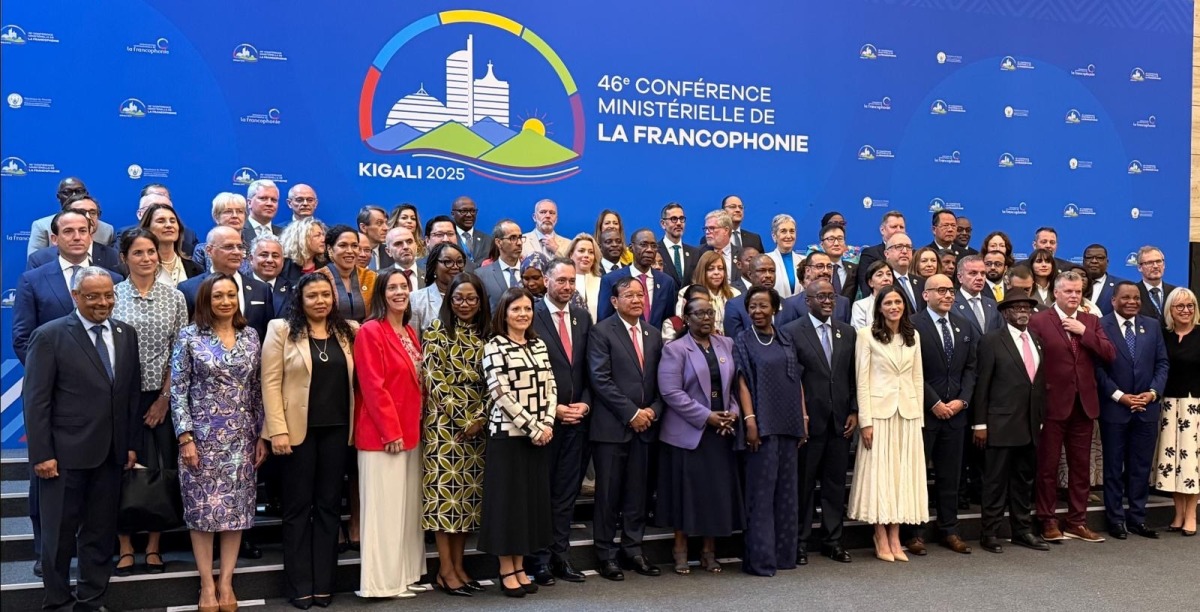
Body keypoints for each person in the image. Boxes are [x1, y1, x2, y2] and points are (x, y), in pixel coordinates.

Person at [22, 267, 140, 611]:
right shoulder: (49, 335)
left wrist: (130, 444)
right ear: (75, 297)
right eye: (93, 296)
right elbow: (36, 401)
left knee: (100, 535)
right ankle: (58, 602)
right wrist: (41, 454)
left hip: (111, 454)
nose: (103, 302)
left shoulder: (126, 333)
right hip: (63, 456)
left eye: (108, 295)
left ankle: (92, 600)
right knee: (58, 536)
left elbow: (130, 395)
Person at [171, 274, 267, 611]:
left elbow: (256, 388)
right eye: (218, 296)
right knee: (202, 512)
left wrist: (262, 435)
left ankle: (226, 581)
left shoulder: (250, 335)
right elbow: (178, 390)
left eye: (230, 295)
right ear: (206, 301)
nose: (225, 301)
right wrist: (185, 437)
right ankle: (206, 584)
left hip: (242, 438)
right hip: (201, 439)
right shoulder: (189, 336)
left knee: (236, 513)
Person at [261, 273, 358, 608]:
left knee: (329, 508)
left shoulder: (348, 331)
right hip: (295, 434)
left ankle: (324, 584)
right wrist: (277, 430)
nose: (320, 301)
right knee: (298, 509)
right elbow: (270, 382)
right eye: (312, 295)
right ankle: (300, 585)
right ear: (300, 301)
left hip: (337, 431)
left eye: (325, 295)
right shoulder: (281, 329)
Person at [112, 230, 189, 576]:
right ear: (124, 258)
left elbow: (180, 353)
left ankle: (154, 546)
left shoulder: (175, 298)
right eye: (138, 253)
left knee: (161, 469)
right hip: (118, 398)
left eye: (151, 252)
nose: (146, 258)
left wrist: (164, 399)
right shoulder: (113, 295)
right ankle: (125, 546)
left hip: (161, 397)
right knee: (122, 468)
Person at [479, 288, 558, 597]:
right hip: (508, 437)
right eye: (516, 309)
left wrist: (547, 423)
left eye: (527, 309)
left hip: (538, 437)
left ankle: (520, 566)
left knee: (527, 506)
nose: (523, 314)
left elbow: (551, 386)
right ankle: (506, 569)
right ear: (504, 313)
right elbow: (500, 393)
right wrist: (532, 427)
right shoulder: (494, 346)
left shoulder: (538, 344)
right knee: (507, 505)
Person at [1026, 270, 1116, 543]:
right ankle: (1047, 519)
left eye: (1078, 292)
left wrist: (1084, 332)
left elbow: (1109, 353)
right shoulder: (1039, 321)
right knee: (1048, 466)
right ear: (1056, 293)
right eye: (1068, 291)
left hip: (1084, 405)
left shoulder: (1090, 321)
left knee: (1081, 466)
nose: (1074, 296)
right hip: (1051, 405)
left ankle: (1077, 521)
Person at [352, 269, 426, 599]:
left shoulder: (408, 330)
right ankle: (381, 583)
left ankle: (404, 575)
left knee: (406, 511)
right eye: (392, 287)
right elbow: (372, 386)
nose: (399, 292)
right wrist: (390, 432)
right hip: (383, 436)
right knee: (384, 512)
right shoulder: (371, 331)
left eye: (403, 287)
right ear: (380, 294)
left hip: (410, 431)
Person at [657, 296, 744, 574]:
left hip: (721, 431)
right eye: (699, 313)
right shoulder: (675, 349)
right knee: (686, 495)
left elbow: (734, 386)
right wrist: (707, 416)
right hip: (688, 432)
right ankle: (680, 550)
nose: (706, 318)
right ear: (686, 318)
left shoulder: (726, 344)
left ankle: (708, 551)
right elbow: (671, 392)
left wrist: (732, 413)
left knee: (714, 494)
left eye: (710, 312)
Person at [588, 276, 664, 581]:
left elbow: (661, 380)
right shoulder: (601, 331)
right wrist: (631, 413)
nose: (635, 300)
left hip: (646, 427)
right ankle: (605, 554)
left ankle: (633, 549)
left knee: (638, 494)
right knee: (608, 495)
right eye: (628, 295)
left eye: (639, 294)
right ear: (614, 301)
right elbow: (600, 379)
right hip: (612, 428)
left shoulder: (653, 334)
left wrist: (653, 410)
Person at [847, 285, 928, 562]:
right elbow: (862, 380)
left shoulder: (913, 335)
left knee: (901, 476)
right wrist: (865, 421)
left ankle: (895, 536)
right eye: (888, 303)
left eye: (898, 302)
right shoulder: (865, 335)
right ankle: (880, 534)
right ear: (879, 308)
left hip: (907, 414)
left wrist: (919, 417)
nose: (894, 307)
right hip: (879, 415)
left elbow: (917, 378)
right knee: (880, 475)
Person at [421, 272, 490, 594]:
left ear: (481, 301)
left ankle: (459, 567)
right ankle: (445, 570)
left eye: (471, 298)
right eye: (458, 298)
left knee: (466, 502)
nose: (465, 304)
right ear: (449, 300)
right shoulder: (437, 330)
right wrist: (464, 420)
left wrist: (481, 418)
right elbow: (434, 380)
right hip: (445, 427)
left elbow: (495, 381)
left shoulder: (487, 334)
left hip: (479, 428)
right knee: (444, 500)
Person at [526, 259, 593, 585]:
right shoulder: (530, 315)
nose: (567, 286)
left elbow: (591, 368)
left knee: (567, 494)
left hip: (577, 421)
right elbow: (526, 374)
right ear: (546, 281)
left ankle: (560, 557)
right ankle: (538, 560)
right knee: (541, 493)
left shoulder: (583, 317)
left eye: (571, 281)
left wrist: (585, 404)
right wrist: (554, 409)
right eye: (561, 280)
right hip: (544, 423)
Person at [781, 281, 857, 566]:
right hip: (808, 423)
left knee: (835, 485)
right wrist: (798, 416)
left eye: (831, 296)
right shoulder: (791, 332)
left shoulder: (847, 332)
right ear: (807, 300)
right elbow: (791, 379)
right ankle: (799, 543)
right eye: (821, 296)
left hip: (840, 422)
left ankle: (832, 541)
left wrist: (854, 410)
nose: (827, 301)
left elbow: (852, 376)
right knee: (803, 486)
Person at [902, 274, 977, 556]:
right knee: (917, 475)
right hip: (924, 413)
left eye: (951, 291)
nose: (948, 295)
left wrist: (962, 401)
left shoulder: (963, 325)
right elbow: (909, 369)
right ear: (926, 295)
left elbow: (971, 368)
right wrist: (933, 402)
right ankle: (914, 532)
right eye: (941, 290)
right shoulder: (912, 325)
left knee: (951, 476)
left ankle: (950, 530)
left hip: (956, 414)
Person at [736, 287, 806, 575]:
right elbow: (741, 381)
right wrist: (750, 420)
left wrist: (803, 416)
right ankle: (761, 560)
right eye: (752, 306)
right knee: (761, 495)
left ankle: (784, 556)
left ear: (775, 309)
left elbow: (796, 380)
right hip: (762, 425)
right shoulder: (743, 340)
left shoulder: (785, 337)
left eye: (763, 306)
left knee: (787, 493)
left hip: (789, 423)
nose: (757, 311)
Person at [972, 289, 1048, 553]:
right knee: (995, 482)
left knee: (1023, 481)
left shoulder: (1037, 340)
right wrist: (979, 424)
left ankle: (1022, 531)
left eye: (1027, 308)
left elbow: (1038, 384)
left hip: (1029, 425)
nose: (1023, 312)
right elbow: (982, 385)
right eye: (1017, 308)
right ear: (1005, 313)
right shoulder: (991, 341)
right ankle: (989, 533)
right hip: (999, 425)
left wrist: (1039, 418)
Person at [1095, 282, 1169, 540]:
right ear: (1113, 300)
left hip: (1147, 408)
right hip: (1115, 408)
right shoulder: (1101, 326)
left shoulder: (1152, 325)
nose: (1132, 302)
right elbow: (1097, 369)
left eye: (1136, 298)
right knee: (1114, 467)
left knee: (1140, 467)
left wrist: (1152, 393)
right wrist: (1120, 396)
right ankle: (1115, 519)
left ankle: (1138, 518)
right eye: (1125, 297)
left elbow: (1162, 363)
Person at [178, 226, 275, 343]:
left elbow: (268, 335)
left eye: (240, 247)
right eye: (229, 247)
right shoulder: (188, 288)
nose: (237, 252)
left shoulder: (261, 289)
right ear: (209, 250)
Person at [1155, 287, 1199, 536]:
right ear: (1170, 309)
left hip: (1195, 407)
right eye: (1180, 306)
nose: (1185, 310)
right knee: (1172, 462)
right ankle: (1178, 513)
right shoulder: (1164, 335)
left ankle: (1191, 514)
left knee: (1191, 462)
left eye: (1190, 305)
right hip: (1169, 405)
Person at [597, 229, 679, 328]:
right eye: (643, 245)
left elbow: (668, 320)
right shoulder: (611, 280)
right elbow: (604, 321)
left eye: (653, 246)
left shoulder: (666, 282)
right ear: (631, 248)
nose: (649, 250)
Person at [26, 196, 122, 275]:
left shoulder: (113, 256)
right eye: (80, 212)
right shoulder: (39, 259)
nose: (88, 217)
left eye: (92, 213)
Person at [27, 177, 117, 255]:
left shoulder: (107, 230)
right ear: (58, 197)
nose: (74, 196)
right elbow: (35, 261)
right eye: (67, 192)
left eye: (79, 191)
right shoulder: (42, 226)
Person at [139, 202, 204, 285]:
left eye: (172, 221)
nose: (169, 225)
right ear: (147, 228)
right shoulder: (137, 266)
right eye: (161, 221)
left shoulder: (196, 269)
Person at [410, 242, 468, 331]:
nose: (455, 267)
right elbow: (413, 337)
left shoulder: (472, 297)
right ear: (434, 266)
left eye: (459, 262)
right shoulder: (416, 299)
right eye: (448, 262)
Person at [679, 250, 740, 335]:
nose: (716, 273)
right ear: (702, 271)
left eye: (720, 268)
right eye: (711, 269)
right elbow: (682, 322)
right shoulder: (688, 292)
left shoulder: (735, 293)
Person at [192, 192, 252, 274]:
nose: (235, 215)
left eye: (240, 211)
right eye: (228, 211)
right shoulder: (202, 251)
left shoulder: (254, 248)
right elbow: (198, 279)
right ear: (216, 217)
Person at [724, 254, 778, 339]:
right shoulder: (734, 306)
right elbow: (735, 341)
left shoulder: (787, 305)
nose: (768, 275)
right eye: (762, 271)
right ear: (750, 275)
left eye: (772, 271)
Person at [855, 210, 906, 297]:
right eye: (894, 227)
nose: (898, 230)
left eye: (901, 227)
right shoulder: (870, 254)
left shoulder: (912, 254)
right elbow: (866, 288)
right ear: (882, 230)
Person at [478, 219, 525, 308]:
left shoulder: (531, 271)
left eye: (520, 238)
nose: (519, 243)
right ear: (498, 242)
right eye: (513, 238)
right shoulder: (482, 275)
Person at [699, 209, 746, 291]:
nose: (707, 232)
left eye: (712, 228)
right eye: (706, 228)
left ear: (726, 230)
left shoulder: (741, 254)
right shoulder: (698, 253)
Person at [658, 202, 700, 286]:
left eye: (681, 219)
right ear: (663, 224)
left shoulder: (694, 253)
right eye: (674, 219)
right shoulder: (656, 251)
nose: (679, 223)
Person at [251, 235, 292, 318]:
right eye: (264, 255)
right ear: (251, 259)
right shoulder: (239, 285)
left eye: (275, 256)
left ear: (283, 261)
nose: (270, 260)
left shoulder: (291, 289)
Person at [1134, 246, 1177, 324]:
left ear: (1164, 265)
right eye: (1149, 263)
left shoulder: (1175, 292)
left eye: (1158, 261)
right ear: (1139, 267)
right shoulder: (1133, 292)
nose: (1155, 266)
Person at [567, 233, 603, 321]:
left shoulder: (602, 283)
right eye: (581, 251)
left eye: (591, 252)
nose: (586, 255)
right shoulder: (564, 283)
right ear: (571, 254)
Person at [884, 233, 924, 311]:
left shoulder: (921, 282)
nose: (905, 251)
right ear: (887, 254)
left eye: (908, 247)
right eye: (899, 247)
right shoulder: (885, 282)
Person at [1082, 244, 1126, 316]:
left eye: (1100, 258)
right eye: (1089, 257)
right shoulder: (1072, 283)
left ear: (1107, 262)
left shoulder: (1121, 285)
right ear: (1083, 261)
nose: (1094, 261)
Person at [765, 214, 802, 298]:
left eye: (792, 231)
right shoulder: (766, 260)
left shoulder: (804, 261)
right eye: (783, 231)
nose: (788, 236)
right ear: (774, 236)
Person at [819, 223, 858, 300]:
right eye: (831, 239)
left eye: (840, 239)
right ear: (822, 245)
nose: (836, 243)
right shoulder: (816, 269)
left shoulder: (854, 269)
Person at [851, 261, 894, 330]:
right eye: (880, 275)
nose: (886, 278)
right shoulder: (861, 306)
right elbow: (860, 333)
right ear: (870, 282)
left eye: (889, 274)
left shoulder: (899, 304)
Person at [450, 195, 489, 263]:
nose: (469, 215)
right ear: (453, 214)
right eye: (463, 211)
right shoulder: (448, 239)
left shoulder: (487, 240)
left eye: (472, 211)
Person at [384, 226, 424, 290]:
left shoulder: (430, 275)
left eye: (409, 242)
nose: (406, 247)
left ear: (416, 246)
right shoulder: (380, 277)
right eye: (398, 244)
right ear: (388, 251)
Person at [356, 205, 390, 270]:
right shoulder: (352, 252)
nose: (386, 228)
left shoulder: (391, 253)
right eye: (379, 223)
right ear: (363, 227)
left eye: (386, 223)